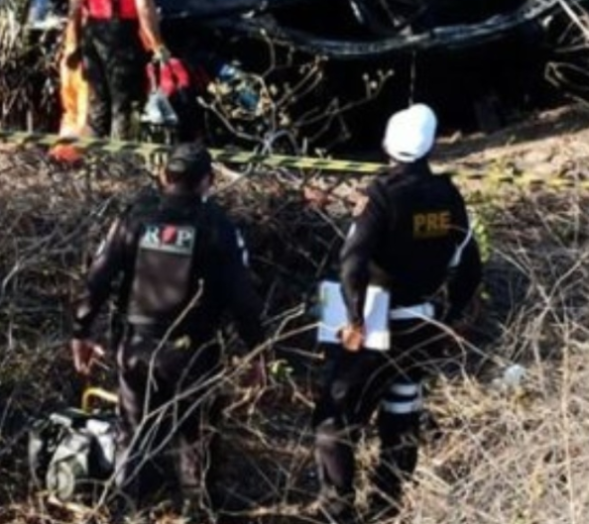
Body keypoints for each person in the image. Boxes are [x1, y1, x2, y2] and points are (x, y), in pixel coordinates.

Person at [70, 143, 267, 523]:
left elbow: (98, 278)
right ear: (208, 181)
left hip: (136, 347)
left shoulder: (134, 218)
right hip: (193, 353)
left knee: (134, 437)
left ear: (164, 176)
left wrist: (81, 331)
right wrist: (257, 350)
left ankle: (129, 513)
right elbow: (242, 296)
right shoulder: (218, 227)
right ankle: (196, 512)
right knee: (196, 441)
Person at [311, 103, 483, 522]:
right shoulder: (447, 195)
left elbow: (352, 263)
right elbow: (470, 265)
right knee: (401, 412)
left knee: (334, 422)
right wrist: (453, 316)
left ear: (388, 145)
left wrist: (354, 320)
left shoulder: (381, 196)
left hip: (374, 326)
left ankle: (338, 510)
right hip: (422, 325)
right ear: (431, 146)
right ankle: (387, 508)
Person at [66, 0, 169, 139]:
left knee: (98, 104)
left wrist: (73, 42)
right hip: (120, 34)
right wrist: (158, 45)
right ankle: (120, 149)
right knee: (122, 105)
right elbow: (144, 7)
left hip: (92, 32)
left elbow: (75, 7)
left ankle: (93, 148)